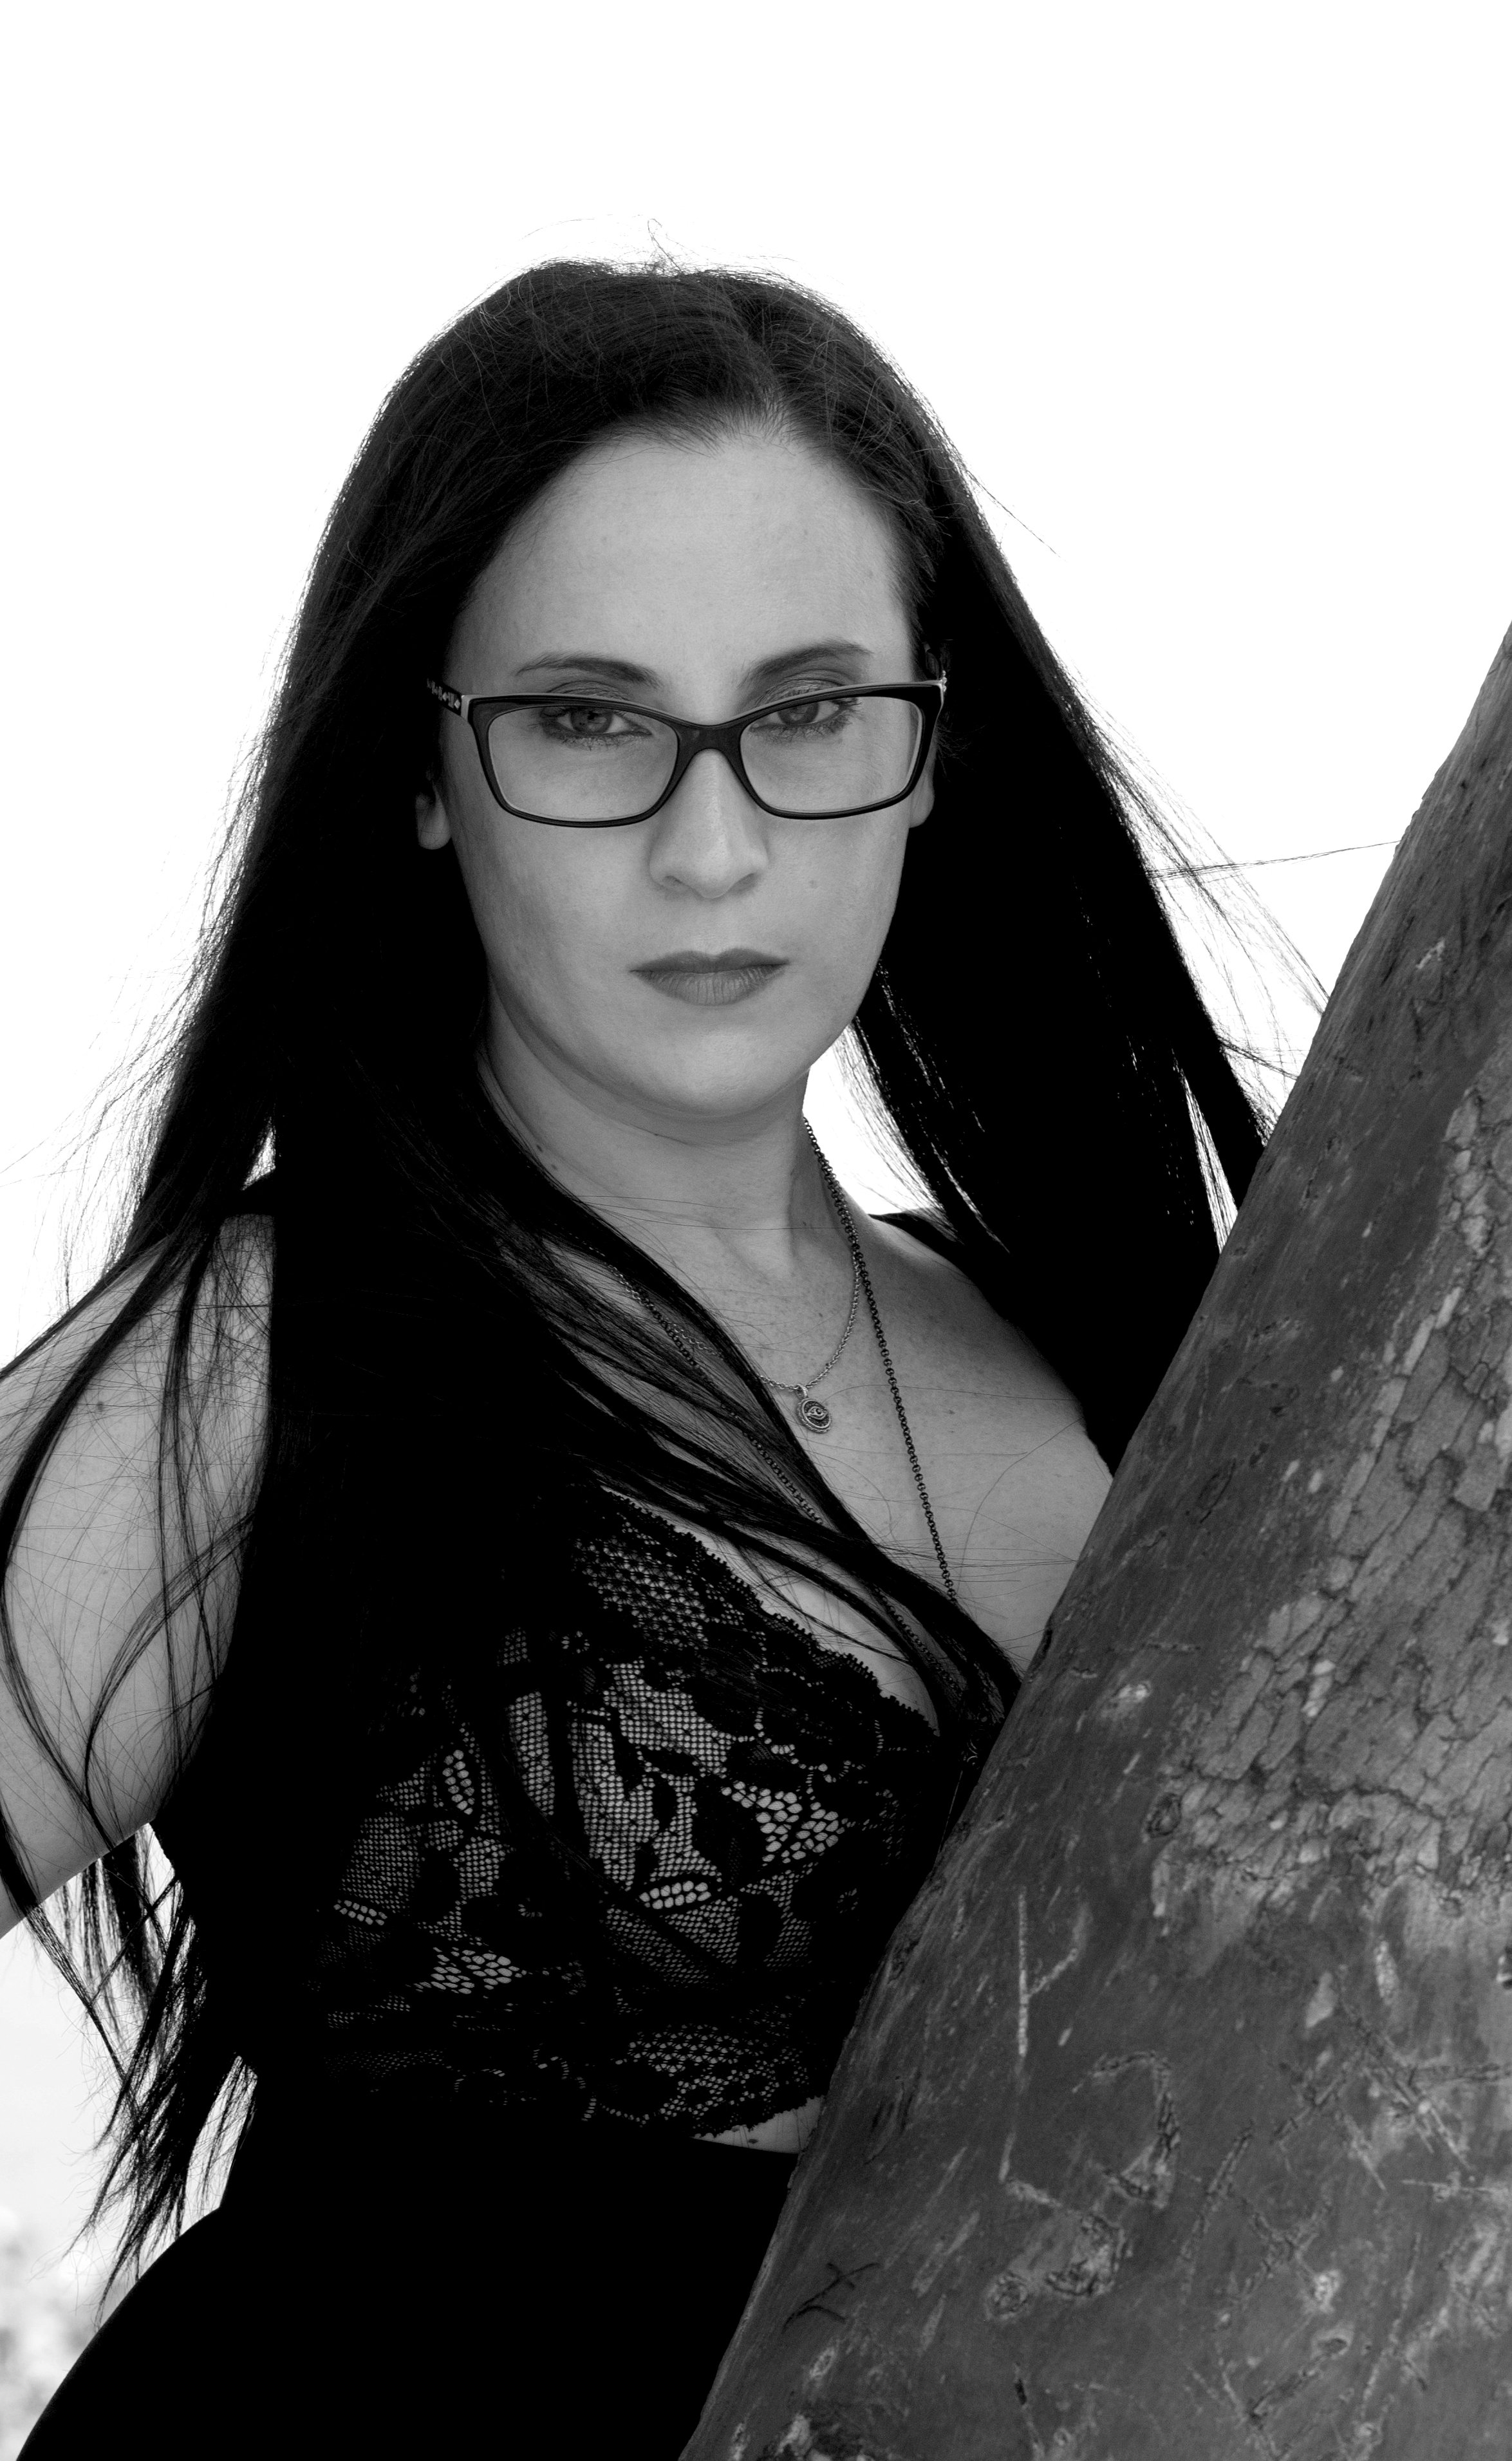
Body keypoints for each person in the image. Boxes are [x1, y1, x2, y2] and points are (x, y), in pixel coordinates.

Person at [0, 259, 1265, 2455]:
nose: (715, 845)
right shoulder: (249, 1369)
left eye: (809, 711)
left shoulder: (1135, 1353)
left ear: (931, 747)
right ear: (425, 771)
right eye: (588, 720)